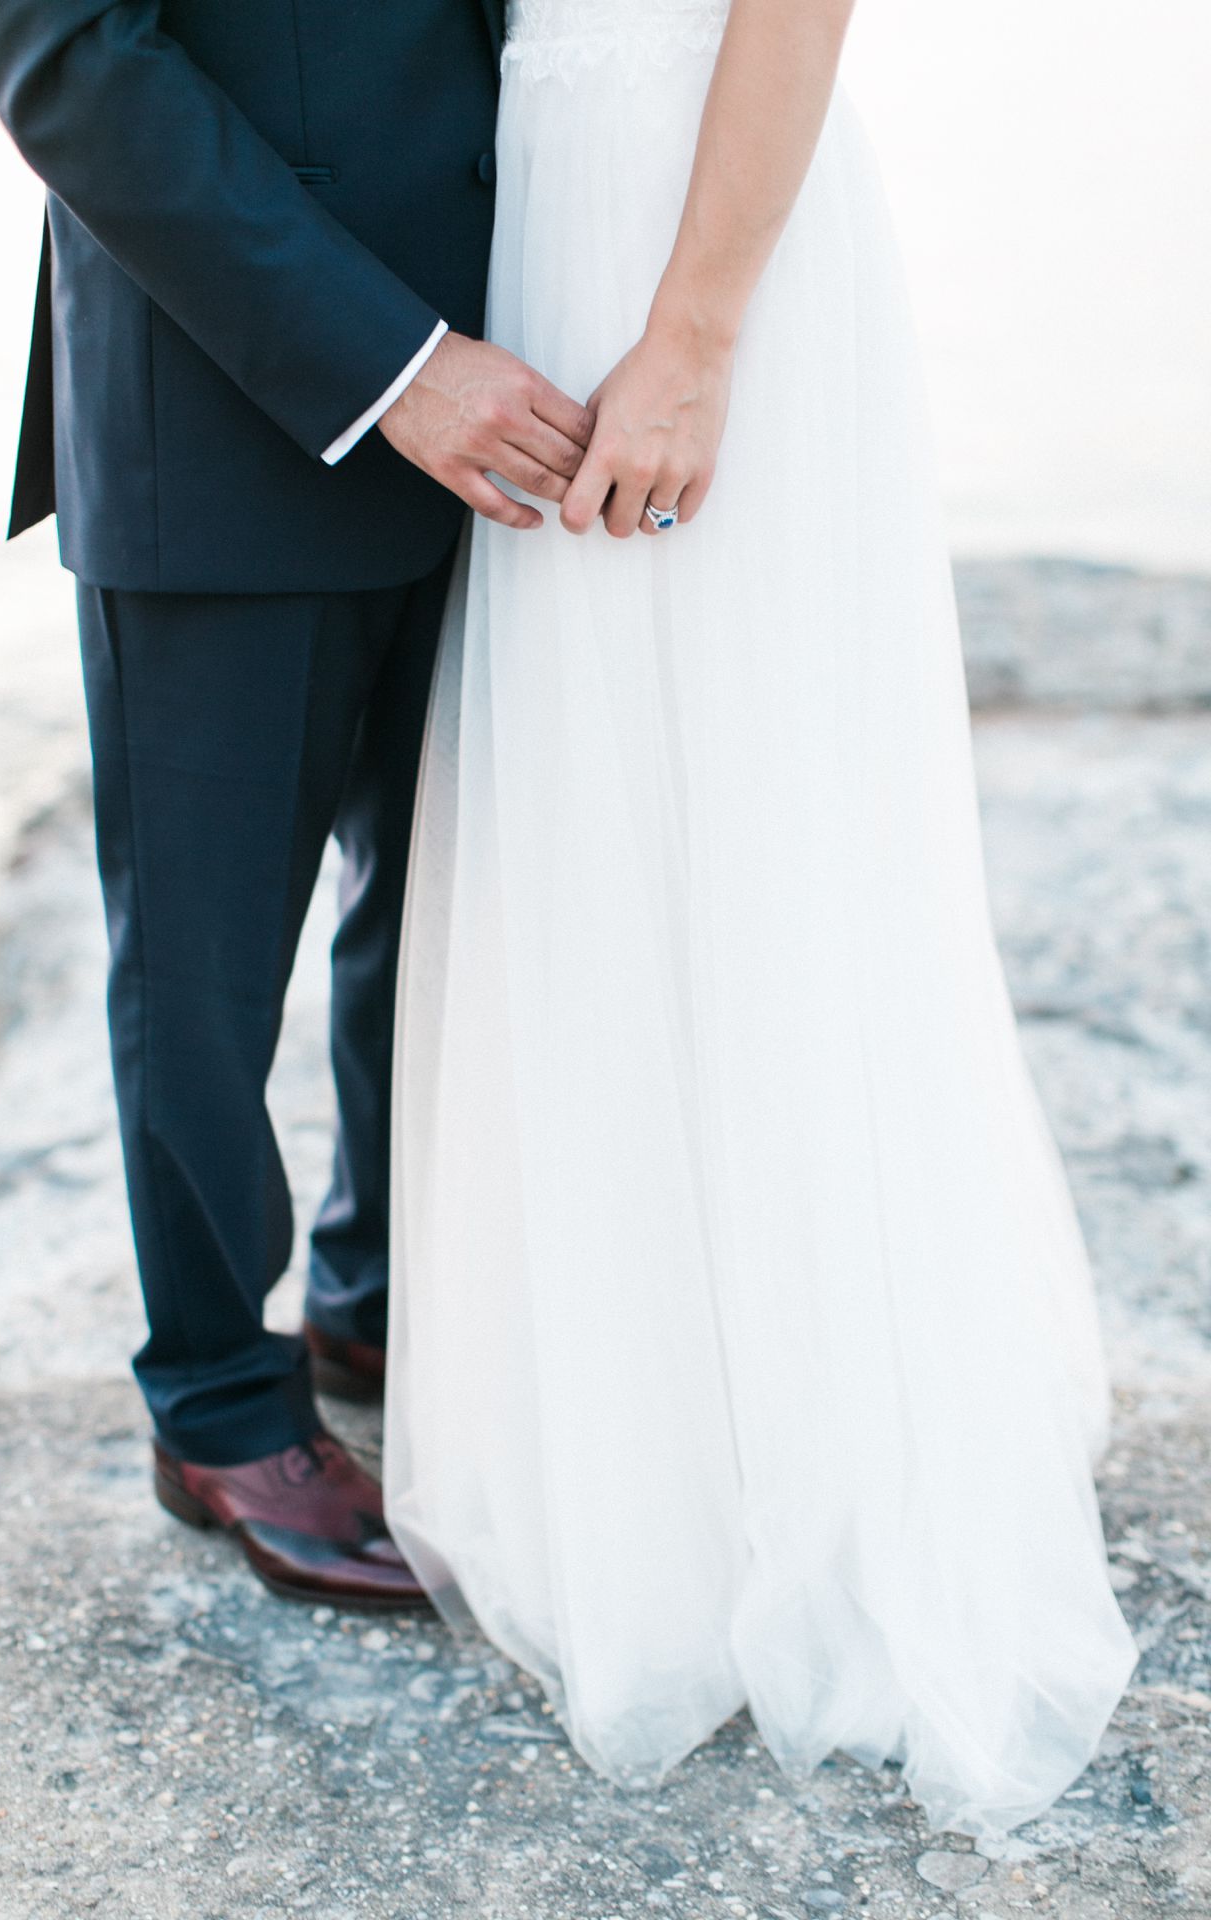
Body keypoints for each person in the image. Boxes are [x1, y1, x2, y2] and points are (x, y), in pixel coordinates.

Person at [385, 0, 1138, 1834]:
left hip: (699, 241)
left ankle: (818, 1452)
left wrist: (697, 335)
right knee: (601, 839)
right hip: (538, 235)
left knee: (771, 819)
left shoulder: (702, 295)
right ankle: (645, 1452)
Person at [0, 0, 593, 1608]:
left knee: (440, 889)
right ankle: (221, 1405)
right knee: (204, 954)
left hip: (522, 376)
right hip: (230, 399)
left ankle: (373, 1290)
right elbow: (70, 63)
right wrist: (395, 369)